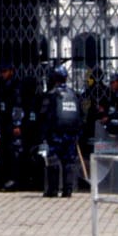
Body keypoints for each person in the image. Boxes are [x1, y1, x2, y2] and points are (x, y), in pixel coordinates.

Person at [41, 64, 85, 197]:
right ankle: (68, 190)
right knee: (69, 162)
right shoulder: (74, 94)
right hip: (71, 135)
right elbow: (81, 115)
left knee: (53, 161)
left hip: (55, 135)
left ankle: (53, 190)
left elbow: (44, 115)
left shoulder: (51, 95)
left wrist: (43, 134)